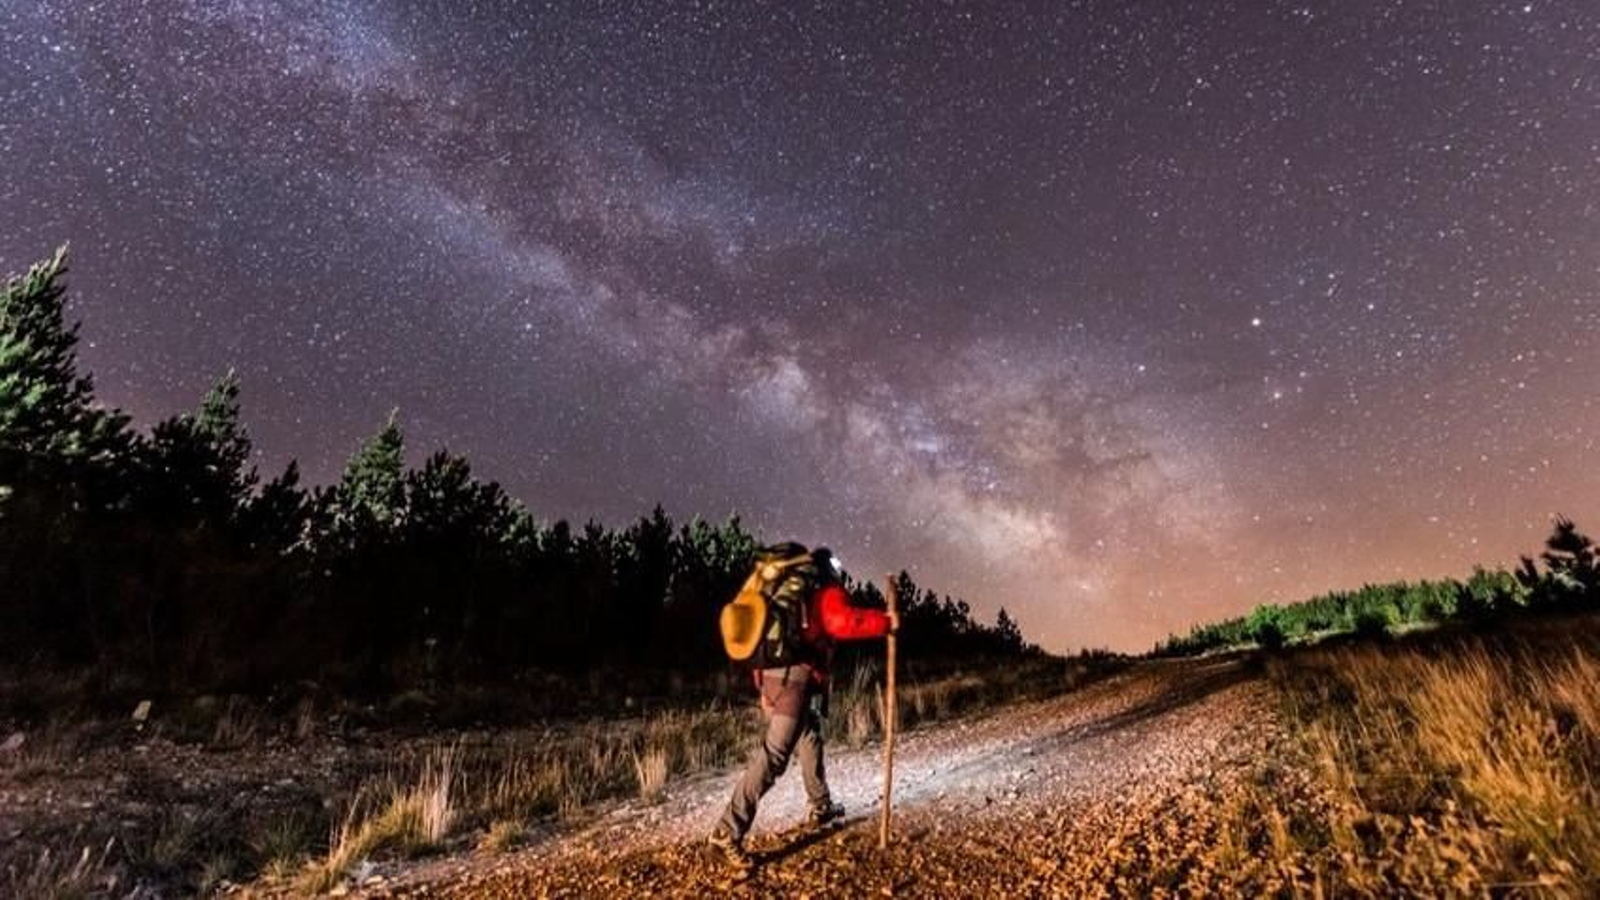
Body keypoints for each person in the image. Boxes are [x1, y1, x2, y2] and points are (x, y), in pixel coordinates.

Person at [709, 545, 897, 867]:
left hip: (772, 677)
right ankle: (727, 830)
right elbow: (843, 622)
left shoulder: (787, 599)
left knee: (809, 733)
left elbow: (764, 644)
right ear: (829, 570)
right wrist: (885, 621)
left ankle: (821, 804)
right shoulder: (824, 592)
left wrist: (762, 686)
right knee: (774, 756)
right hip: (792, 681)